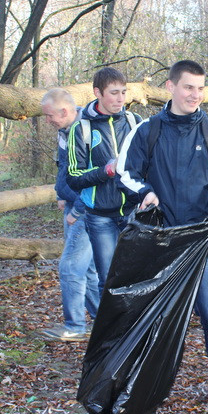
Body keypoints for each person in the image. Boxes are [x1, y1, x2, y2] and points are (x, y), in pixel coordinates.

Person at [116, 60, 208, 399]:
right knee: (156, 314)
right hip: (159, 239)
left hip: (198, 241)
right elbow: (126, 171)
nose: (195, 94)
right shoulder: (148, 130)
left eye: (200, 88)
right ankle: (145, 382)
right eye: (188, 87)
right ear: (170, 87)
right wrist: (145, 192)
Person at [66, 68, 142, 299]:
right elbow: (73, 178)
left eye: (124, 92)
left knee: (137, 277)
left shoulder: (134, 121)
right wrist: (106, 170)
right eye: (114, 93)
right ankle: (109, 334)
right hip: (100, 216)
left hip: (133, 212)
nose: (120, 99)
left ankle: (135, 332)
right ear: (98, 92)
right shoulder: (81, 129)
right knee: (108, 279)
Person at [40, 88, 99, 342]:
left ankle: (75, 327)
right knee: (88, 270)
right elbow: (64, 166)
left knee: (70, 266)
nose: (47, 120)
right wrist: (60, 195)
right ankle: (105, 321)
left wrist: (78, 210)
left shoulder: (87, 131)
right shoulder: (64, 131)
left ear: (65, 111)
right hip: (72, 205)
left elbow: (96, 178)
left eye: (50, 115)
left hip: (86, 210)